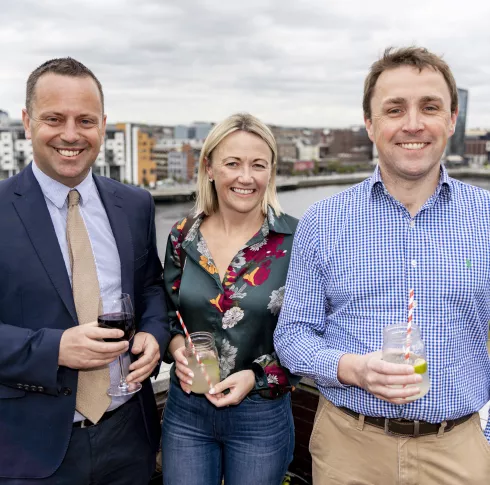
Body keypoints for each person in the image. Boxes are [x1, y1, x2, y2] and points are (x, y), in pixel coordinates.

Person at [274, 47, 490, 484]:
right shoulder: (324, 220)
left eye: (429, 107)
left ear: (451, 119)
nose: (413, 124)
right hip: (349, 449)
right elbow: (292, 334)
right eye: (395, 109)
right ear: (370, 125)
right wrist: (353, 368)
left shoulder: (487, 216)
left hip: (459, 452)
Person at [0, 58, 170, 484]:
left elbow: (150, 286)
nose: (71, 135)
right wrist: (53, 348)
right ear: (27, 122)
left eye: (85, 120)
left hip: (130, 436)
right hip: (29, 448)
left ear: (104, 125)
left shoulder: (134, 204)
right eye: (54, 119)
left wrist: (154, 332)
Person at [161, 113, 298, 485]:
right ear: (209, 168)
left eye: (258, 165)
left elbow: (311, 333)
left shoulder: (297, 241)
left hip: (261, 415)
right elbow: (168, 316)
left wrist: (255, 379)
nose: (245, 177)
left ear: (271, 172)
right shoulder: (182, 235)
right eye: (232, 163)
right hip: (187, 409)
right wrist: (176, 348)